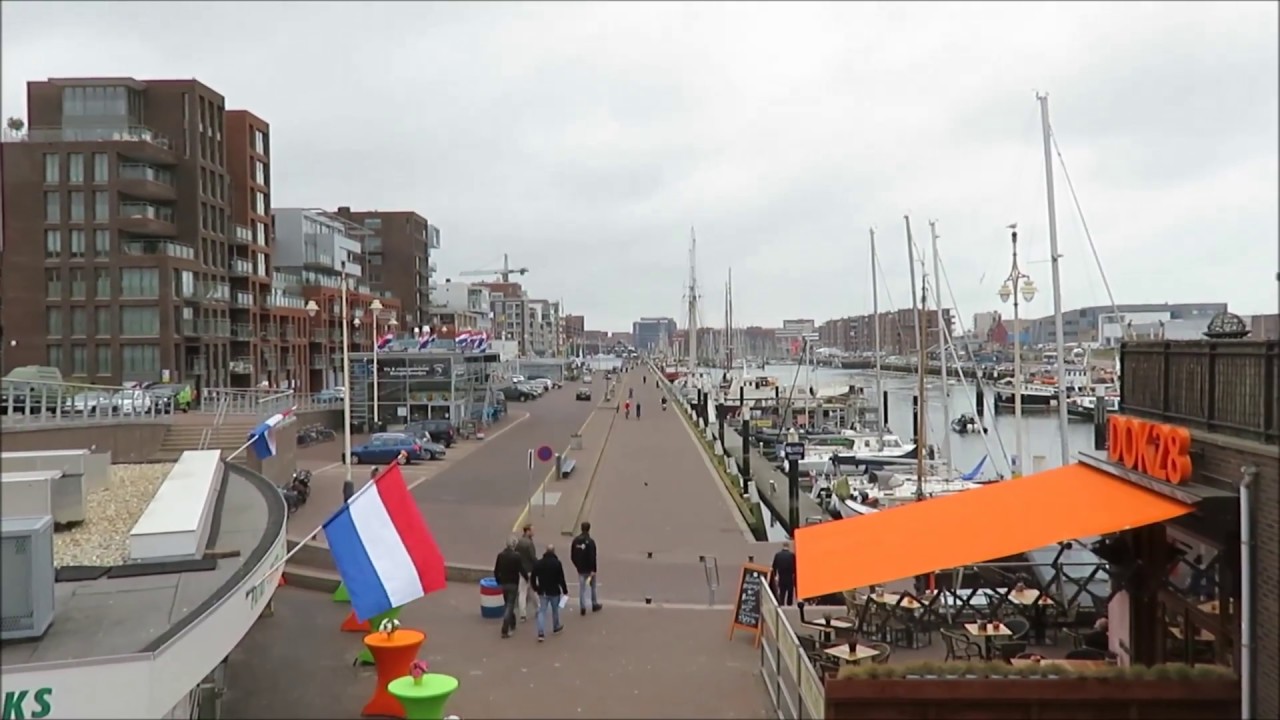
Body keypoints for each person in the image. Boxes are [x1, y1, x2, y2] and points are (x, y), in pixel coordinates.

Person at [531, 544, 568, 641]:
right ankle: (556, 626)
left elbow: (533, 577)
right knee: (555, 610)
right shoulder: (557, 563)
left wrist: (535, 587)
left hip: (542, 590)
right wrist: (565, 590)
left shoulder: (539, 563)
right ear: (554, 551)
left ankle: (540, 632)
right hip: (554, 591)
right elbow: (561, 578)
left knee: (542, 611)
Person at [493, 536, 526, 639]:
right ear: (514, 545)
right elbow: (521, 569)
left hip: (504, 583)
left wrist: (498, 580)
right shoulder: (517, 556)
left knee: (508, 603)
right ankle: (505, 628)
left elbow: (496, 570)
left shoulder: (500, 555)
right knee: (510, 605)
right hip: (513, 583)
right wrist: (527, 578)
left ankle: (512, 622)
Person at [570, 521, 602, 616]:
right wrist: (593, 569)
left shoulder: (575, 541)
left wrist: (577, 565)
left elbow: (572, 555)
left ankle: (582, 606)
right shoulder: (590, 541)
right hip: (589, 568)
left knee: (582, 588)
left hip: (580, 569)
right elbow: (593, 556)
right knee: (593, 587)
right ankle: (594, 603)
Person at [515, 524, 538, 622]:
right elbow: (533, 557)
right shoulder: (529, 543)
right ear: (527, 531)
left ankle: (522, 614)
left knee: (522, 592)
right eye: (532, 530)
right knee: (533, 590)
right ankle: (538, 608)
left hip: (521, 570)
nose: (534, 532)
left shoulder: (519, 542)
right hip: (530, 570)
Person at [771, 541, 797, 606]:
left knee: (782, 592)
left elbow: (774, 567)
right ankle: (789, 604)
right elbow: (795, 567)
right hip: (789, 576)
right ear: (788, 547)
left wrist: (775, 576)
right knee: (790, 591)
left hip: (781, 576)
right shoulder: (792, 555)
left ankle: (781, 604)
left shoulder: (778, 555)